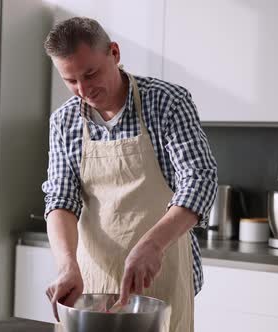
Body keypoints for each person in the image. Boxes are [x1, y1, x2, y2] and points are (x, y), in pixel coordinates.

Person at [41, 17, 218, 332]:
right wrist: (67, 265)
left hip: (163, 278)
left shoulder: (166, 103)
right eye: (70, 80)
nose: (83, 90)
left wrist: (152, 245)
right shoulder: (64, 121)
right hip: (92, 285)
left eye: (90, 73)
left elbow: (199, 179)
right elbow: (60, 200)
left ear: (114, 52)